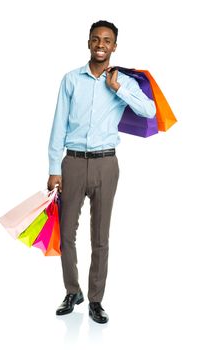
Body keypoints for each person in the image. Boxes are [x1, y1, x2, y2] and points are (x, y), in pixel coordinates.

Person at [47, 20, 156, 324]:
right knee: (66, 233)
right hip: (72, 162)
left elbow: (149, 111)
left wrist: (118, 87)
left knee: (101, 236)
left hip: (107, 163)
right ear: (89, 42)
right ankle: (73, 291)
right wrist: (54, 167)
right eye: (96, 39)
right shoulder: (70, 80)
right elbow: (58, 125)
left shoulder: (123, 81)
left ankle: (96, 299)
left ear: (114, 46)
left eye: (107, 40)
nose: (100, 44)